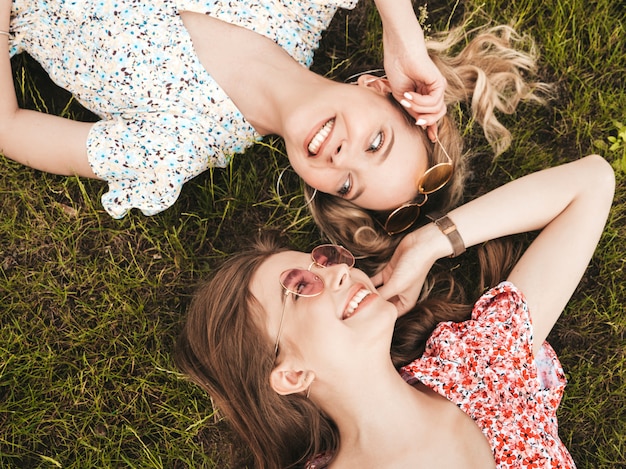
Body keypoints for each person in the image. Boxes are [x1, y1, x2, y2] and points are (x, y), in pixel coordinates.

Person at [176, 154, 615, 468]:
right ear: (291, 375)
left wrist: (429, 243)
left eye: (326, 260)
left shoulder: (477, 362)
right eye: (301, 286)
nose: (339, 273)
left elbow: (591, 184)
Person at [1, 0, 544, 220]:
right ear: (379, 89)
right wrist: (403, 37)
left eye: (346, 185)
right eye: (376, 142)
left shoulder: (173, 147)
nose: (340, 156)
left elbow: (10, 127)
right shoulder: (295, 7)